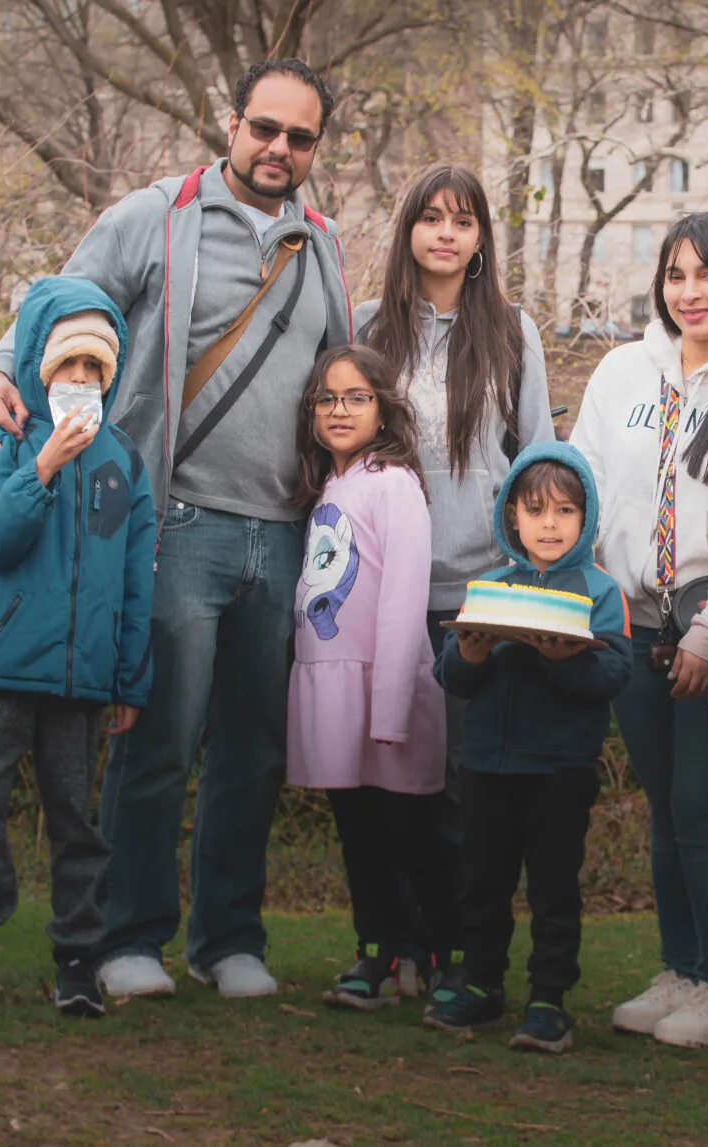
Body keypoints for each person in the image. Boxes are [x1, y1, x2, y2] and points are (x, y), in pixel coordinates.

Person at [0, 60, 351, 1001]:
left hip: (284, 532)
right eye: (264, 128)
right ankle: (128, 933)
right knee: (157, 739)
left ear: (315, 149)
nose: (278, 150)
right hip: (172, 518)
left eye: (299, 138)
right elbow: (52, 300)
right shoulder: (157, 217)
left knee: (253, 749)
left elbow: (344, 368)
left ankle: (228, 939)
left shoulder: (324, 244)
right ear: (231, 123)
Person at [352, 163, 553, 1003]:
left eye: (462, 220)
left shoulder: (512, 332)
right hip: (380, 589)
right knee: (383, 776)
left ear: (479, 240)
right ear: (407, 232)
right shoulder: (367, 326)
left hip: (479, 594)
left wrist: (537, 577)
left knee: (466, 788)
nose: (445, 232)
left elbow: (539, 455)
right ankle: (394, 944)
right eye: (430, 218)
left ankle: (467, 955)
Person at [570, 212, 708, 1049]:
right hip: (628, 611)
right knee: (662, 805)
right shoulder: (622, 370)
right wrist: (585, 598)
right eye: (677, 274)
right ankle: (679, 968)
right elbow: (579, 474)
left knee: (703, 801)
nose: (691, 292)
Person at [0, 279, 154, 1019]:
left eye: (96, 369)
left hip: (82, 676)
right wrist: (41, 469)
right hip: (1, 668)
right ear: (39, 367)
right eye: (69, 367)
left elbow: (134, 580)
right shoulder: (5, 440)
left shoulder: (123, 462)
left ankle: (77, 957)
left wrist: (128, 676)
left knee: (76, 819)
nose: (82, 382)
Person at [427, 443, 631, 1054]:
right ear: (511, 515)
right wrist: (469, 651)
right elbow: (452, 678)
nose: (549, 524)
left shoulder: (600, 592)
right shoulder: (487, 586)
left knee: (553, 889)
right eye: (535, 510)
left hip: (560, 770)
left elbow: (611, 679)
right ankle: (483, 987)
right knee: (482, 882)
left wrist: (564, 662)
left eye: (564, 512)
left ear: (585, 518)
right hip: (487, 764)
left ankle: (548, 1001)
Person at [281, 345, 452, 1012]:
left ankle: (439, 954)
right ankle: (377, 950)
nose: (341, 409)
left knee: (412, 832)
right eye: (328, 398)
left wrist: (389, 711)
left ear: (383, 408)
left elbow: (403, 601)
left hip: (385, 691)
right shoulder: (329, 486)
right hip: (332, 691)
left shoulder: (394, 484)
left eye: (357, 397)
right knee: (360, 833)